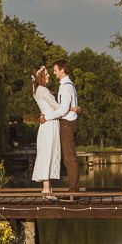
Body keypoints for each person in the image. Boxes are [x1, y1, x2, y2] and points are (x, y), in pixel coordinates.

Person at [39, 59, 79, 196]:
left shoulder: (66, 86)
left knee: (69, 157)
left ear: (63, 70)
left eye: (56, 70)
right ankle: (73, 187)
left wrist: (47, 118)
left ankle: (74, 189)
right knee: (68, 156)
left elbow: (62, 110)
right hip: (67, 122)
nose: (54, 72)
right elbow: (65, 107)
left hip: (67, 124)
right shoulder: (66, 85)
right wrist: (73, 108)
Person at [31, 67, 61, 200]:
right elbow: (57, 107)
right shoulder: (43, 90)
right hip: (49, 125)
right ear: (41, 77)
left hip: (47, 125)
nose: (49, 76)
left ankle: (48, 189)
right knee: (48, 153)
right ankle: (46, 189)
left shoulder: (37, 90)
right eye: (46, 74)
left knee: (46, 153)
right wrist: (71, 107)